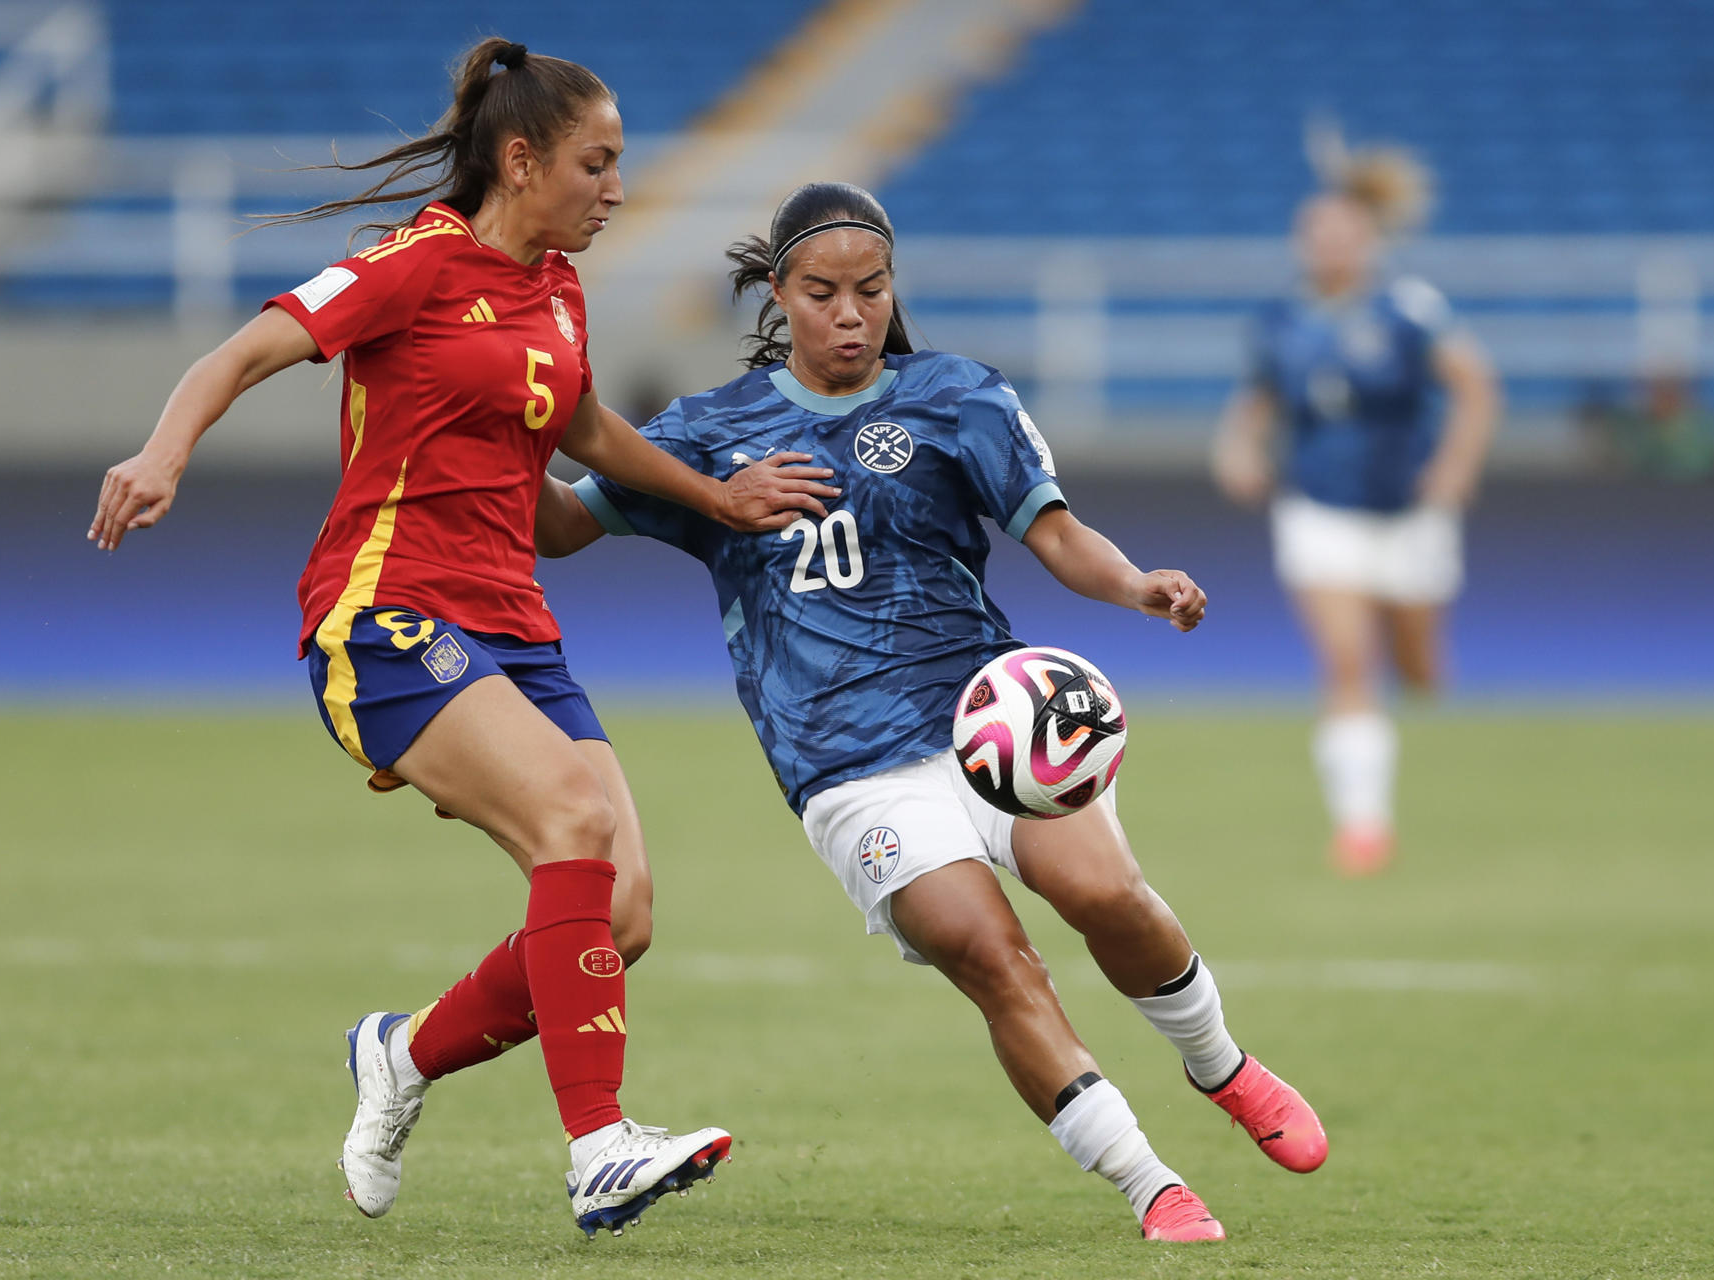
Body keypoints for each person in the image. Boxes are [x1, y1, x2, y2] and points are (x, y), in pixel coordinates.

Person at [87, 38, 832, 1239]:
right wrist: (161, 450)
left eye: (621, 165)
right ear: (522, 157)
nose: (618, 188)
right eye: (598, 162)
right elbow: (244, 350)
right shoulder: (413, 266)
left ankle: (402, 1055)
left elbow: (581, 426)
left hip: (515, 628)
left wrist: (716, 497)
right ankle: (598, 1143)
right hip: (386, 615)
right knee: (575, 824)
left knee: (623, 909)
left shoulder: (561, 289)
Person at [532, 182, 1329, 1244]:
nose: (850, 312)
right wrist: (505, 411)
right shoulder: (711, 433)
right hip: (846, 764)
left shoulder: (958, 398)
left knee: (1107, 894)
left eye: (871, 288)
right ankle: (1153, 1185)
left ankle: (1220, 1065)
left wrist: (1139, 584)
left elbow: (1056, 534)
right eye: (822, 292)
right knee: (993, 953)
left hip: (991, 721)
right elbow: (557, 529)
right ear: (780, 293)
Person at [1211, 143, 1500, 875]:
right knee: (1347, 663)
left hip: (1408, 509)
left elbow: (1475, 384)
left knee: (1420, 671)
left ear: (1369, 240)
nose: (1328, 245)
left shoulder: (1409, 310)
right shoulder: (1279, 320)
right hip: (1319, 507)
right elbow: (1260, 401)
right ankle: (1363, 827)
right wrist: (1238, 446)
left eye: (1342, 233)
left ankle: (1415, 692)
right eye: (1316, 233)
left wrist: (1456, 466)